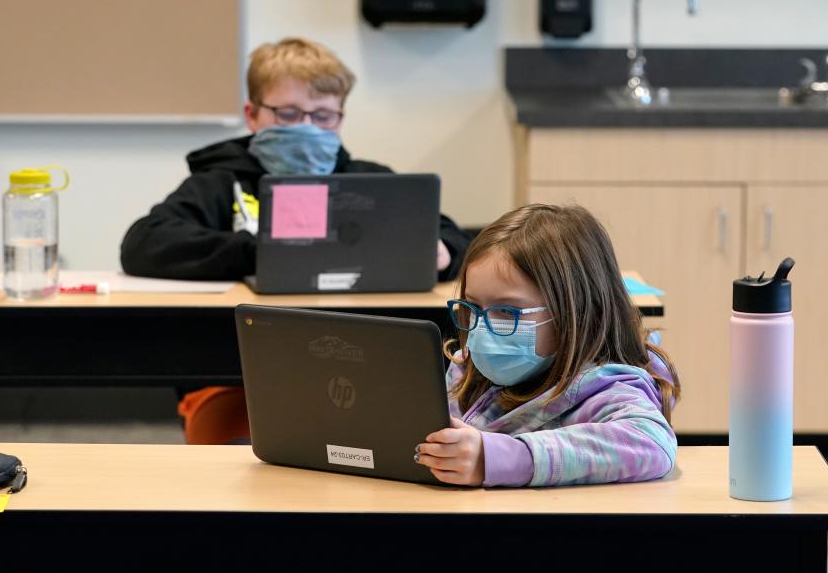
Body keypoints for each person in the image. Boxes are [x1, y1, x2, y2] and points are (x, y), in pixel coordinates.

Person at [120, 37, 471, 281]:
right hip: (238, 353)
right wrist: (268, 251)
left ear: (340, 120)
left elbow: (453, 240)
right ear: (253, 114)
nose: (306, 128)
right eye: (288, 113)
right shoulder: (219, 182)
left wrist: (446, 253)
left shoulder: (372, 181)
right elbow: (144, 244)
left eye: (321, 116)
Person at [414, 204, 681, 487]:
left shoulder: (604, 390)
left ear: (575, 313)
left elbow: (652, 443)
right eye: (474, 307)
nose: (482, 328)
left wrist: (501, 459)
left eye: (507, 312)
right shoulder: (466, 369)